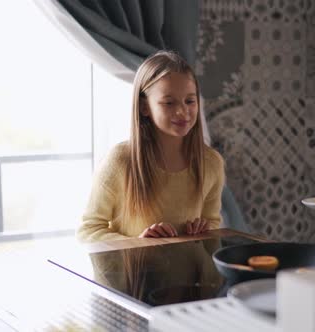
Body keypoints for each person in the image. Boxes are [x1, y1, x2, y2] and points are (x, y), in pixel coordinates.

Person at [78, 51, 225, 242]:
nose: (182, 112)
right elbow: (88, 230)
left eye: (190, 101)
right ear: (144, 107)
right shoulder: (120, 161)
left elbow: (213, 224)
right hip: (134, 273)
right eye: (169, 103)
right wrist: (139, 244)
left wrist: (203, 230)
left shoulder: (212, 163)